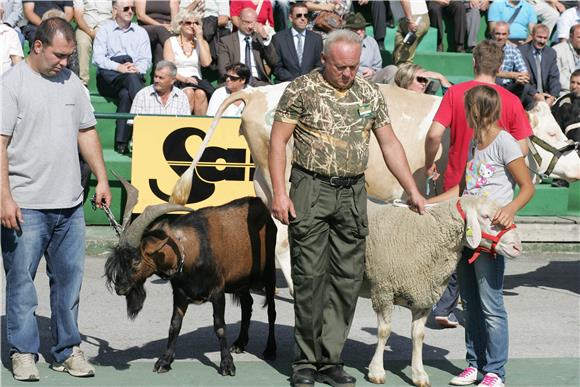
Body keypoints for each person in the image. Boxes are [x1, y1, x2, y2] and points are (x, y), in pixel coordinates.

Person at [268, 29, 426, 387]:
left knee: (347, 279)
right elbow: (278, 141)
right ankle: (305, 362)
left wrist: (412, 189)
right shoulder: (301, 89)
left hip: (353, 192)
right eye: (340, 67)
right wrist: (280, 192)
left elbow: (390, 144)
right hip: (310, 187)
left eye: (353, 67)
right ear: (324, 60)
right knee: (309, 277)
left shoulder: (369, 93)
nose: (347, 74)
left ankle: (330, 359)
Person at [1, 17, 111, 382]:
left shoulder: (73, 85)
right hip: (25, 204)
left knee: (69, 283)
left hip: (70, 203)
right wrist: (4, 197)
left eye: (68, 55)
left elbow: (87, 132)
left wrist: (103, 179)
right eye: (59, 55)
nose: (65, 62)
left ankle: (67, 350)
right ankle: (23, 353)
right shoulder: (11, 84)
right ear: (37, 46)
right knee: (21, 282)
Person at [428, 85, 534, 387]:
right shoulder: (476, 142)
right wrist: (425, 202)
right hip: (467, 232)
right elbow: (461, 191)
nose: (465, 113)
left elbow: (527, 186)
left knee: (491, 305)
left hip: (490, 238)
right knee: (470, 305)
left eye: (467, 108)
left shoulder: (506, 143)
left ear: (478, 110)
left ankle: (495, 372)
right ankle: (474, 365)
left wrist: (510, 209)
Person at [424, 40, 533, 329]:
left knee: (458, 254)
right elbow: (522, 149)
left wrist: (429, 162)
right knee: (482, 274)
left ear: (473, 62)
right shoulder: (509, 100)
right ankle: (473, 341)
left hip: (458, 187)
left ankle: (446, 305)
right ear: (500, 68)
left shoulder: (456, 93)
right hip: (488, 197)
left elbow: (435, 134)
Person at [93, 0, 151, 154]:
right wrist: (119, 67)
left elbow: (146, 60)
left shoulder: (141, 32)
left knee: (126, 94)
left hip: (132, 73)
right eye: (126, 8)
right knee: (130, 79)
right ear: (115, 10)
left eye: (132, 8)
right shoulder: (104, 30)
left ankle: (121, 143)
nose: (130, 11)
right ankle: (147, 119)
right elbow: (98, 58)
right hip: (109, 77)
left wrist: (134, 68)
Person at [163, 9, 213, 115]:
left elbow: (206, 63)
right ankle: (183, 127)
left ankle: (201, 128)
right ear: (180, 24)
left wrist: (199, 38)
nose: (192, 26)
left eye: (196, 23)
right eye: (188, 23)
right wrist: (185, 79)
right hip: (177, 80)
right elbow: (169, 69)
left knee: (201, 94)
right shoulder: (171, 42)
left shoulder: (201, 43)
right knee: (188, 92)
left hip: (197, 82)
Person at [217, 7, 278, 86]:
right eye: (247, 22)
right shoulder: (226, 41)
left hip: (257, 81)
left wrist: (265, 38)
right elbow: (223, 70)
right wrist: (239, 80)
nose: (250, 26)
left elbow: (274, 62)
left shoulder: (259, 39)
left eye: (253, 23)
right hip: (235, 80)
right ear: (239, 20)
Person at [272, 2, 323, 82]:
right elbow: (277, 67)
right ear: (291, 18)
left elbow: (319, 65)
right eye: (299, 15)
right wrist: (295, 81)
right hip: (286, 83)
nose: (303, 18)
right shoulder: (278, 38)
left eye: (305, 15)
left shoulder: (316, 39)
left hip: (309, 84)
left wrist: (307, 81)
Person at [518, 23, 562, 107]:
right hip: (529, 94)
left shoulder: (551, 53)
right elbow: (523, 80)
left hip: (546, 95)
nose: (542, 41)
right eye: (539, 37)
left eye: (545, 38)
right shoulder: (521, 51)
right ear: (532, 35)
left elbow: (554, 78)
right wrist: (536, 95)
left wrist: (552, 97)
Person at [493, 22, 534, 108]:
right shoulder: (486, 48)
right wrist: (512, 75)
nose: (500, 37)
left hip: (509, 87)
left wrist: (520, 78)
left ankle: (515, 112)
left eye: (503, 34)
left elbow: (525, 73)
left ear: (508, 35)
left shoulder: (514, 50)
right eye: (498, 34)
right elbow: (487, 71)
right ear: (493, 34)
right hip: (492, 85)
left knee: (525, 86)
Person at [73, 0, 113, 86]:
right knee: (83, 43)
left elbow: (116, 13)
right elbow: (78, 16)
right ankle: (83, 82)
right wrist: (90, 32)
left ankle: (108, 83)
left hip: (105, 26)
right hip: (84, 26)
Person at [135, 0, 178, 77]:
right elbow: (140, 15)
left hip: (167, 30)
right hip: (147, 28)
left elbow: (175, 18)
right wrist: (160, 25)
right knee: (160, 30)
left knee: (159, 47)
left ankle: (161, 78)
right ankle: (178, 55)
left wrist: (171, 26)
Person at [390, 0, 430, 65]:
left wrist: (410, 20)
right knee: (398, 56)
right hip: (416, 18)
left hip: (414, 19)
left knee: (403, 60)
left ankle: (404, 74)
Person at [552, 69, 580, 143]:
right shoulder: (561, 103)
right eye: (572, 82)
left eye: (578, 84)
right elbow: (555, 130)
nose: (574, 86)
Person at [553, 24, 580, 95]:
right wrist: (575, 87)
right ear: (571, 37)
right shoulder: (557, 51)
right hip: (565, 92)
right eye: (579, 37)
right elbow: (557, 77)